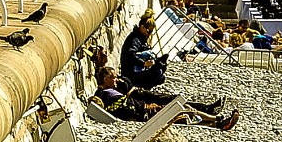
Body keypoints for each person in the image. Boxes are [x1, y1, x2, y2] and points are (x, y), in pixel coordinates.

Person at [93, 66, 239, 130]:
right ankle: (217, 121)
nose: (116, 80)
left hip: (144, 108)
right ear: (105, 79)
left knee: (183, 115)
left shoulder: (111, 90)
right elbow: (97, 104)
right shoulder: (103, 94)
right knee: (181, 114)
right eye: (113, 78)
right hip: (143, 112)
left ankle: (218, 123)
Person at [119, 12, 169, 88]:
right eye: (149, 31)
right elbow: (130, 54)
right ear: (142, 27)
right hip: (131, 74)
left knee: (161, 77)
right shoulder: (135, 39)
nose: (149, 34)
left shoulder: (142, 39)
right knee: (157, 72)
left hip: (139, 71)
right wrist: (143, 63)